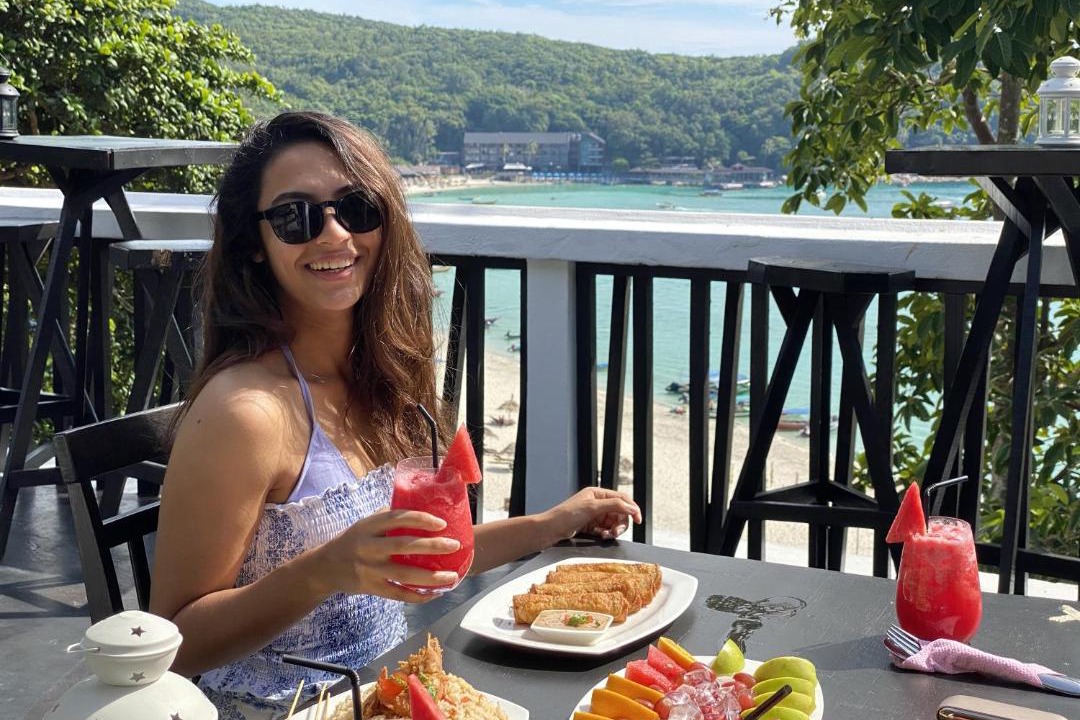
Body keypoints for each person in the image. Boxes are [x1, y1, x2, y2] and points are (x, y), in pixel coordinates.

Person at [149, 111, 641, 718]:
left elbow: (423, 554)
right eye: (295, 216)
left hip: (392, 695)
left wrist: (549, 524)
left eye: (354, 208)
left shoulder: (381, 380)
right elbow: (172, 645)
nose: (333, 236)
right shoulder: (244, 414)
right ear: (255, 245)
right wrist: (324, 570)